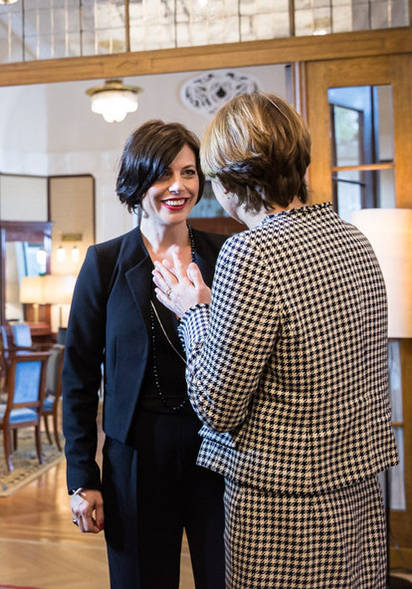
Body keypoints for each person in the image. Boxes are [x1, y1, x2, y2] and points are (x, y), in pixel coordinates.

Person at [153, 91, 398, 587]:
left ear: (230, 180)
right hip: (358, 495)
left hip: (282, 508)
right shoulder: (356, 240)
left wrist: (194, 312)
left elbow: (217, 405)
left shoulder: (251, 253)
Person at [62, 120, 227, 588]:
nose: (179, 186)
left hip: (215, 450)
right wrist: (82, 477)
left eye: (190, 172)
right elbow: (77, 379)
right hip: (135, 456)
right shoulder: (105, 263)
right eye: (163, 174)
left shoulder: (225, 256)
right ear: (137, 183)